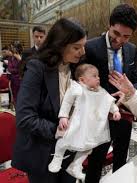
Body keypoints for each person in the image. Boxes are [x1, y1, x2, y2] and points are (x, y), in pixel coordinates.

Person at [11, 18, 86, 183]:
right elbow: (25, 118)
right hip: (42, 152)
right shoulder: (37, 68)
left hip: (69, 152)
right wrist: (60, 131)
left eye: (83, 46)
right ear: (60, 44)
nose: (82, 52)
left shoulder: (75, 68)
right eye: (76, 47)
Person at [84, 3, 137, 183]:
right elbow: (82, 84)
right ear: (109, 25)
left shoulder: (131, 49)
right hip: (99, 116)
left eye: (126, 36)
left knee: (121, 157)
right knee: (96, 160)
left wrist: (129, 93)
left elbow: (135, 80)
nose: (120, 40)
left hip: (124, 113)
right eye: (116, 34)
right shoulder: (90, 47)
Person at [48, 64, 121, 181]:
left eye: (98, 76)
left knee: (89, 147)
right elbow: (67, 102)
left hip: (92, 126)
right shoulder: (77, 87)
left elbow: (109, 101)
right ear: (82, 79)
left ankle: (76, 165)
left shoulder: (100, 90)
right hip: (77, 123)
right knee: (65, 140)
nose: (98, 78)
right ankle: (57, 158)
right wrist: (63, 116)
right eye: (94, 76)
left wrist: (115, 111)